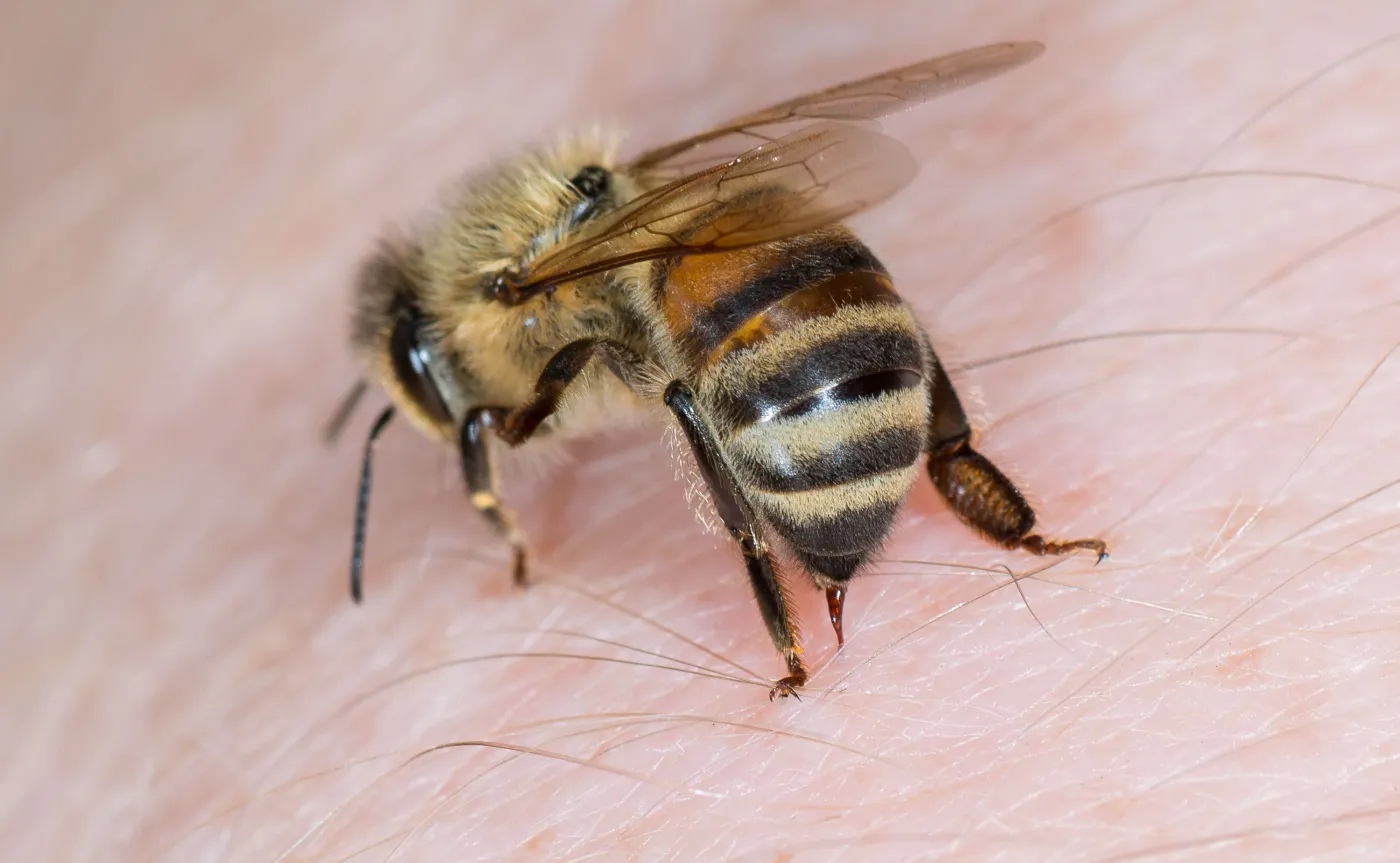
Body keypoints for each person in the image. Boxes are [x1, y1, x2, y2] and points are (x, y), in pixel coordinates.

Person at [7, 3, 1398, 859]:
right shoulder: (603, 220)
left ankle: (791, 630)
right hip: (803, 302)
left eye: (439, 395)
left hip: (778, 372)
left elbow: (611, 381)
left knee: (682, 377)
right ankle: (979, 494)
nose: (463, 415)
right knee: (732, 341)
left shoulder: (522, 301)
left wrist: (501, 502)